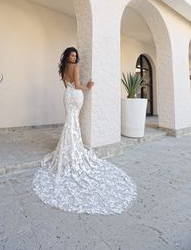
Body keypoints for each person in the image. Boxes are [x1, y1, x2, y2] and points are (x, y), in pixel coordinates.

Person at [33, 47, 137, 215]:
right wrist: (88, 87)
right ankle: (73, 150)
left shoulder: (63, 68)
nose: (74, 57)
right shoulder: (75, 67)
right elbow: (79, 85)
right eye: (72, 55)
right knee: (73, 123)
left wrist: (75, 90)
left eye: (75, 55)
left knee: (70, 122)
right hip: (76, 95)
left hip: (67, 96)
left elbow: (68, 85)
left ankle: (68, 149)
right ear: (68, 56)